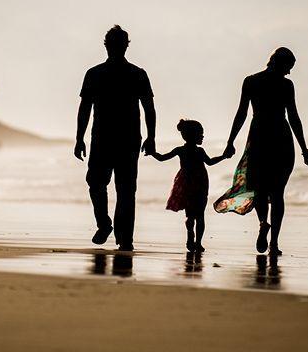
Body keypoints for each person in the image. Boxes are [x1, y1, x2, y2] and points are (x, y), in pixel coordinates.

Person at [222, 47, 308, 256]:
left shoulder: (251, 81)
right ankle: (274, 244)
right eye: (289, 67)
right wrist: (304, 149)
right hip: (281, 137)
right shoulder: (286, 85)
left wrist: (230, 141)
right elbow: (294, 118)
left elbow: (241, 114)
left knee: (260, 190)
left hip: (259, 137)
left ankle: (263, 223)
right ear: (280, 63)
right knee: (278, 193)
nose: (289, 72)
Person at [74, 25, 156, 252]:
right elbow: (149, 108)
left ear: (108, 45)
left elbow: (84, 109)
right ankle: (120, 235)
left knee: (100, 184)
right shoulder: (135, 74)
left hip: (105, 138)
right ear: (124, 45)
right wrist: (151, 137)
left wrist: (79, 138)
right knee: (124, 189)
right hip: (125, 138)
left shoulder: (97, 73)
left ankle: (110, 227)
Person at [149, 119, 228, 253]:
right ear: (192, 135)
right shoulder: (196, 151)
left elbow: (162, 158)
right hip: (197, 184)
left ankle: (193, 238)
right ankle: (195, 241)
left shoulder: (183, 150)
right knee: (199, 215)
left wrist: (152, 153)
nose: (203, 136)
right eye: (200, 134)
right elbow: (210, 162)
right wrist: (223, 157)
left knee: (192, 215)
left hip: (191, 184)